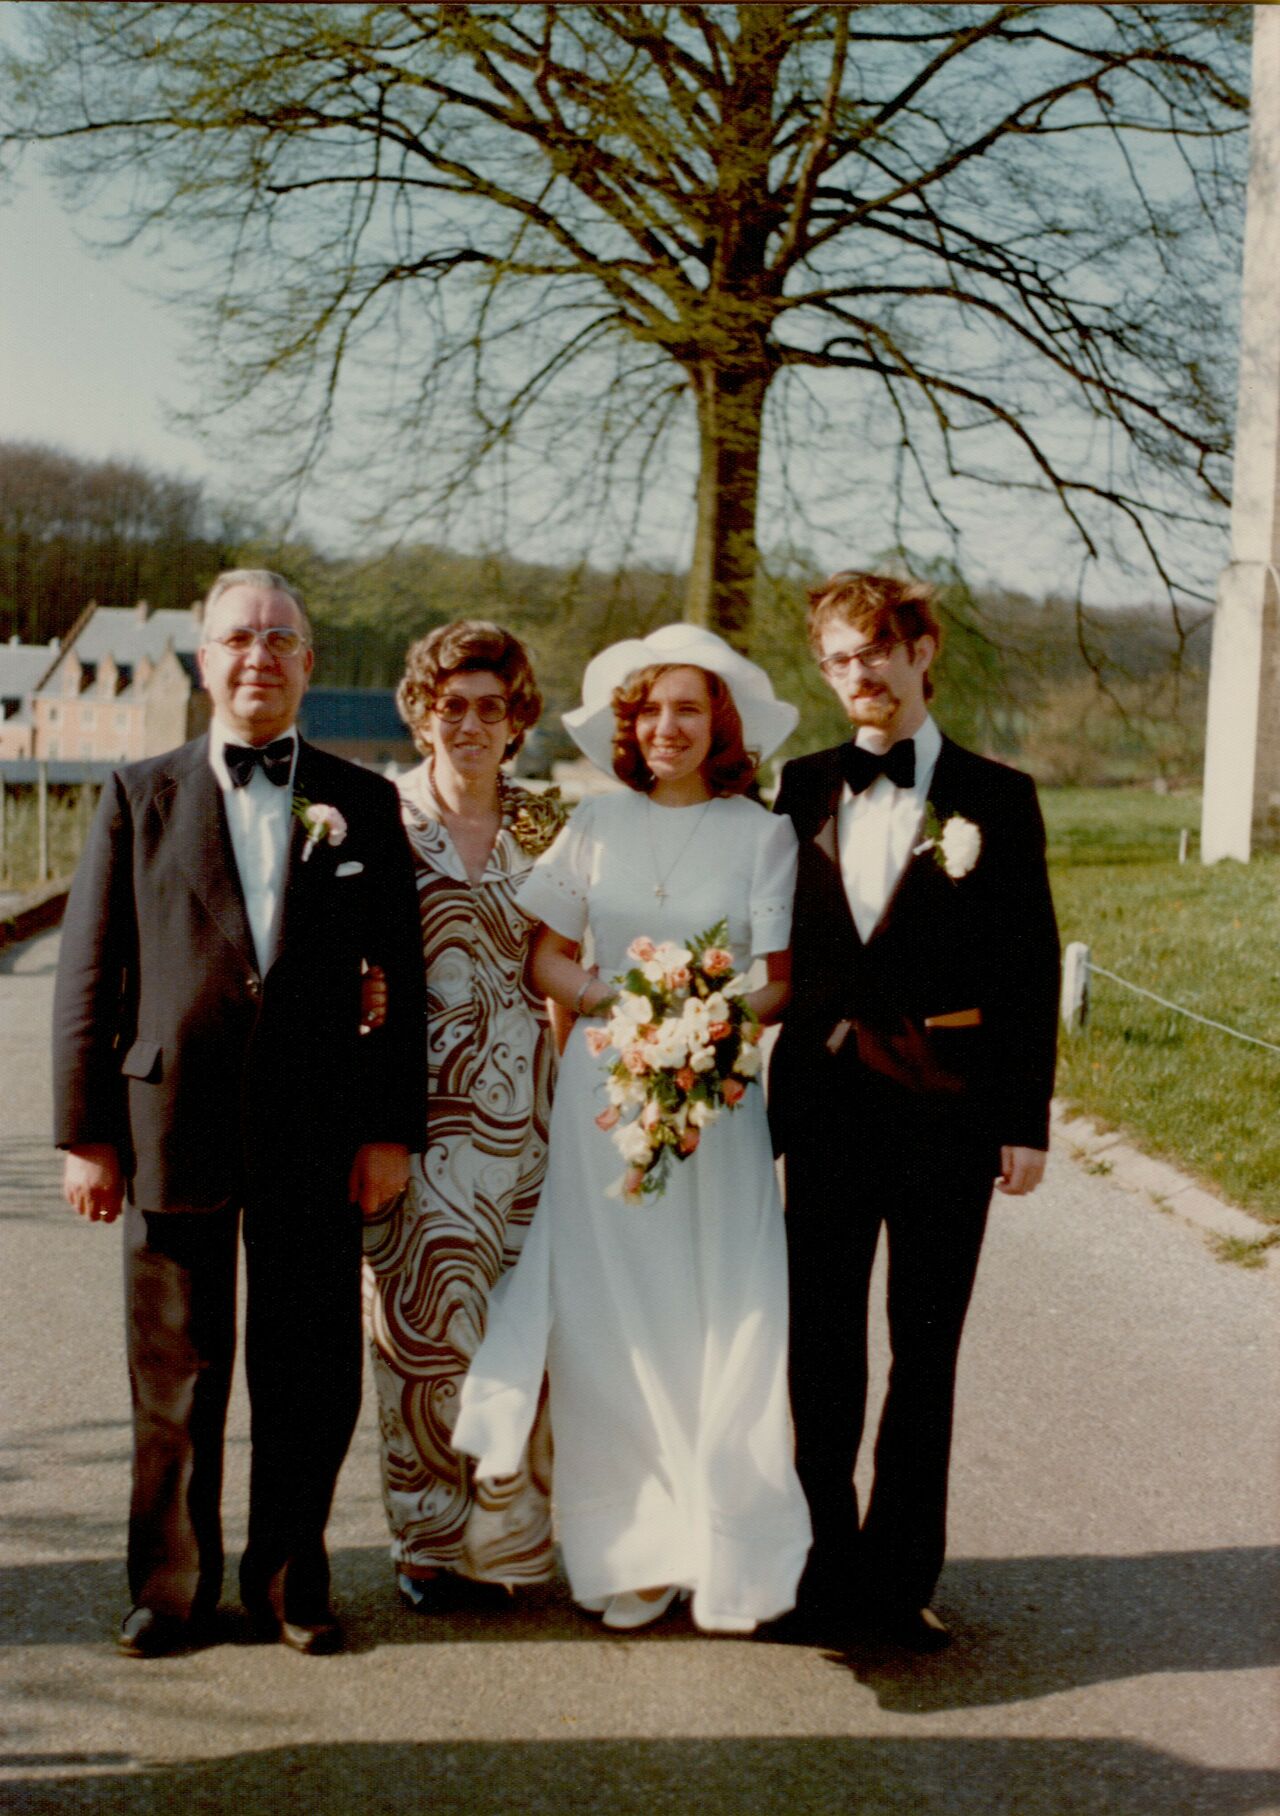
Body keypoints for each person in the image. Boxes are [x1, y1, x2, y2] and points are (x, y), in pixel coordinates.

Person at [52, 568, 426, 1658]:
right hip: (171, 1121)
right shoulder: (135, 795)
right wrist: (84, 1131)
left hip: (318, 1128)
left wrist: (389, 1129)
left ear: (309, 662)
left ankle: (290, 1584)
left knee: (309, 1370)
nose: (258, 655)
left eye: (281, 638)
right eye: (236, 638)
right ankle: (170, 1589)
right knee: (175, 1372)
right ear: (204, 659)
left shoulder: (362, 802)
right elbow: (89, 973)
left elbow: (398, 976)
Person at [453, 624, 812, 1634]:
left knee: (714, 1317)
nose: (666, 727)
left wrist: (702, 1020)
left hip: (716, 1103)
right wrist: (619, 999)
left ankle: (720, 1543)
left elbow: (776, 982)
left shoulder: (761, 833)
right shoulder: (594, 827)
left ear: (720, 724)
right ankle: (628, 1548)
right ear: (629, 724)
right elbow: (546, 960)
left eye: (687, 709)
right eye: (649, 709)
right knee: (608, 1325)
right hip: (600, 1100)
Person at [768, 569, 1060, 1650]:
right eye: (840, 658)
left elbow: (1027, 969)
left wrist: (1023, 1119)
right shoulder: (794, 788)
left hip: (945, 1118)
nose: (862, 674)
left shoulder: (997, 796)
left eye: (879, 649)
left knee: (922, 1353)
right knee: (820, 1353)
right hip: (827, 1117)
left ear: (922, 649)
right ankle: (819, 1566)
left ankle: (898, 1582)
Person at [361, 621, 569, 1610]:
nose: (472, 724)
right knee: (422, 1330)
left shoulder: (541, 821)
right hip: (424, 1109)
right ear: (420, 711)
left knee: (518, 1333)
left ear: (517, 717)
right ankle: (426, 1544)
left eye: (492, 707)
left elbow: (568, 952)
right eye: (453, 705)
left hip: (528, 1115)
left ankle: (502, 1540)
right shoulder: (381, 816)